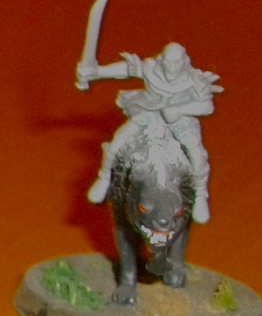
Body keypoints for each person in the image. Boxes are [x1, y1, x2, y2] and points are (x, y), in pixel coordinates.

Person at [81, 42, 220, 223]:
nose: (172, 67)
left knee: (197, 156)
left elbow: (207, 106)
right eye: (168, 62)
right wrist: (98, 72)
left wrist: (179, 110)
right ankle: (105, 178)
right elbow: (128, 69)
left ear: (184, 62)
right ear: (161, 60)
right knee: (117, 144)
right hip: (149, 113)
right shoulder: (151, 68)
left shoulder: (195, 79)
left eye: (177, 62)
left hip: (181, 120)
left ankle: (200, 194)